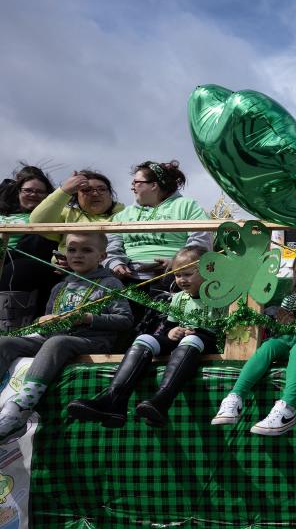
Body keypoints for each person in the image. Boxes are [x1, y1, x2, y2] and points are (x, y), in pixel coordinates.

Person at [0, 232, 133, 443]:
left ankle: (21, 407)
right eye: (72, 249)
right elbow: (48, 327)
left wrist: (88, 318)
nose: (77, 255)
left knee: (57, 342)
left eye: (86, 250)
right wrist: (44, 321)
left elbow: (125, 320)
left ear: (102, 256)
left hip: (92, 342)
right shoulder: (60, 286)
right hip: (55, 339)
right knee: (4, 341)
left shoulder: (110, 284)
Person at [66, 245, 220, 427]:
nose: (181, 280)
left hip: (207, 342)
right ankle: (114, 400)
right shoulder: (179, 298)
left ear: (208, 270)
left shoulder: (220, 295)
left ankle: (162, 399)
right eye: (178, 275)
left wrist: (194, 332)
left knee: (191, 339)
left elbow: (224, 328)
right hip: (182, 342)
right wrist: (171, 332)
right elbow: (169, 328)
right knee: (145, 339)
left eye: (188, 274)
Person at [211, 247, 296, 435]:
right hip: (294, 339)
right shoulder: (289, 299)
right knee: (270, 345)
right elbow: (282, 333)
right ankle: (235, 397)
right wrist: (281, 324)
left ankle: (287, 409)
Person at [106, 161, 211, 283]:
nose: (132, 187)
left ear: (153, 185)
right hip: (128, 276)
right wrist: (115, 263)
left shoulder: (187, 206)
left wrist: (178, 263)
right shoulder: (124, 214)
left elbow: (201, 241)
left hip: (175, 276)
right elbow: (110, 246)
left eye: (136, 182)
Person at [0, 166, 58, 321]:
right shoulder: (4, 212)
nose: (34, 195)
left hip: (21, 259)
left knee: (16, 267)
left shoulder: (46, 217)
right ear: (18, 191)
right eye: (28, 190)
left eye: (40, 192)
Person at [29, 170, 125, 250]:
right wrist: (65, 190)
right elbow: (37, 222)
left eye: (102, 189)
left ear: (110, 194)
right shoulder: (68, 213)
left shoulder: (125, 214)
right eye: (87, 190)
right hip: (67, 270)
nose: (95, 194)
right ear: (76, 196)